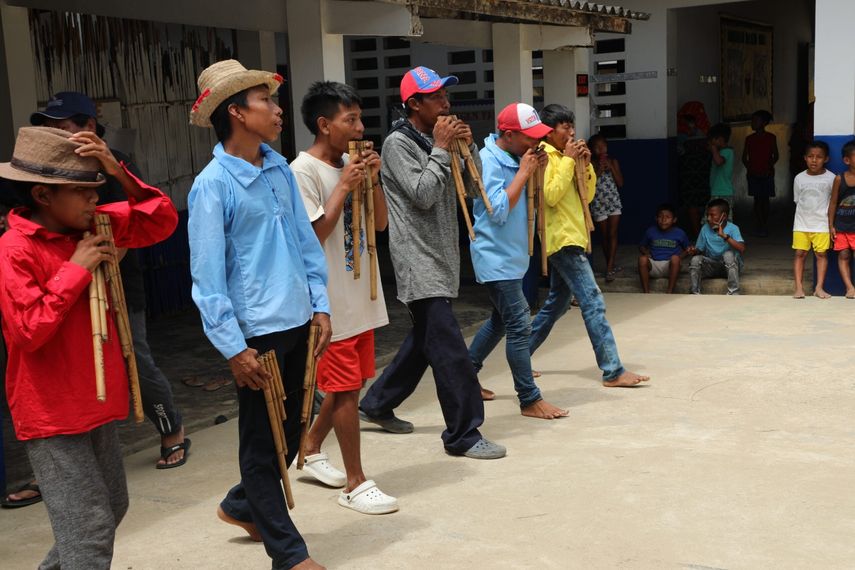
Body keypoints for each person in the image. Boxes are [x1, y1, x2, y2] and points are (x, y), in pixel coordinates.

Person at [0, 126, 177, 568]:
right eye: (83, 192)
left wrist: (117, 170)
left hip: (96, 402)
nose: (95, 201)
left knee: (109, 511)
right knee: (90, 532)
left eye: (98, 189)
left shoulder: (95, 225)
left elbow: (160, 218)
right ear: (42, 195)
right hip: (51, 412)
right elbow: (27, 331)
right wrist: (75, 271)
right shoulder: (14, 247)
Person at [187, 60, 330, 570]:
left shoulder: (277, 168)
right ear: (236, 113)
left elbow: (304, 242)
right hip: (257, 333)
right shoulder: (211, 186)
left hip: (298, 318)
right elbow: (207, 280)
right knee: (261, 441)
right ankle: (288, 554)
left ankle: (243, 504)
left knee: (293, 428)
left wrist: (321, 305)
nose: (275, 109)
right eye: (264, 101)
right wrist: (234, 347)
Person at [30, 91, 189, 468]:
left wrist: (93, 274)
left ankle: (172, 429)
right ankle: (62, 459)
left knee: (133, 356)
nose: (55, 133)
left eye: (62, 126)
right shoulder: (39, 170)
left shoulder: (111, 164)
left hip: (111, 283)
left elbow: (134, 223)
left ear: (88, 127)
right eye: (49, 127)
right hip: (62, 286)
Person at [357, 66, 505, 460]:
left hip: (442, 258)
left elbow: (473, 191)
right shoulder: (397, 144)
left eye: (445, 95)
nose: (446, 103)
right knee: (450, 351)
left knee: (424, 342)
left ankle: (376, 403)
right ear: (414, 104)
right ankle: (464, 434)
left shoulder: (439, 139)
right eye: (436, 97)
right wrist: (442, 149)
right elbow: (422, 194)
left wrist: (468, 149)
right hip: (416, 260)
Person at [291, 81, 397, 514]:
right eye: (349, 119)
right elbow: (313, 236)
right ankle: (356, 483)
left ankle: (311, 446)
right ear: (324, 124)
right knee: (346, 390)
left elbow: (382, 226)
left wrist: (370, 180)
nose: (359, 127)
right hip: (329, 301)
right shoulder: (302, 171)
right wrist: (343, 186)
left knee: (353, 383)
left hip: (361, 297)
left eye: (359, 118)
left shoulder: (352, 165)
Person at [529, 104, 649, 388]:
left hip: (576, 237)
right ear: (549, 131)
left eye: (572, 126)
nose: (571, 132)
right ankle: (613, 370)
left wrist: (586, 165)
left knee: (556, 305)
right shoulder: (543, 157)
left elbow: (589, 194)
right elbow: (551, 196)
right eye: (565, 127)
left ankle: (519, 356)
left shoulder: (567, 156)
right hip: (562, 240)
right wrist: (570, 161)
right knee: (593, 302)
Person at [467, 103, 568, 420]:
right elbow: (496, 211)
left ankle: (465, 377)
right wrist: (524, 172)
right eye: (529, 137)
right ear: (508, 135)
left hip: (512, 258)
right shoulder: (487, 161)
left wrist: (528, 170)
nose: (535, 144)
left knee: (501, 321)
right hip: (494, 257)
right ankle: (529, 398)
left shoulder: (515, 156)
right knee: (520, 325)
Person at [792, 141, 834, 299]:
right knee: (800, 254)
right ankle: (799, 288)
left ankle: (819, 288)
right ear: (805, 158)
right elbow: (797, 200)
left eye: (819, 157)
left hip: (821, 225)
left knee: (821, 255)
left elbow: (833, 203)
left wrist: (830, 225)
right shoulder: (799, 178)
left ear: (826, 159)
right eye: (810, 156)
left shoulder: (831, 178)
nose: (814, 160)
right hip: (801, 224)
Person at [687, 198, 746, 295]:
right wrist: (693, 251)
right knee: (695, 260)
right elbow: (699, 250)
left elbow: (742, 248)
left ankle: (733, 292)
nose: (709, 218)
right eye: (707, 215)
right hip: (712, 266)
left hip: (731, 268)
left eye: (712, 215)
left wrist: (725, 236)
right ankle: (694, 293)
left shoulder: (733, 228)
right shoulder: (705, 229)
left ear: (724, 216)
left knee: (728, 255)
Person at [588, 134, 624, 281]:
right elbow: (589, 184)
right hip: (598, 203)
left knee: (613, 234)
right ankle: (611, 263)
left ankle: (609, 267)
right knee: (604, 236)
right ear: (592, 149)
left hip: (613, 202)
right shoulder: (591, 164)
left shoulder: (613, 162)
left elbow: (620, 183)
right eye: (597, 147)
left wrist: (611, 168)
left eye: (603, 145)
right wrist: (600, 171)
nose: (601, 149)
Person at [676, 102, 712, 238]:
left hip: (698, 176)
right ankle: (699, 235)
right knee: (695, 205)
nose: (690, 124)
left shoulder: (707, 133)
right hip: (694, 176)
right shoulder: (683, 135)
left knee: (700, 205)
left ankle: (702, 234)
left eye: (692, 120)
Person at [638, 203, 690, 294]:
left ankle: (669, 292)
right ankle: (646, 293)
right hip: (654, 264)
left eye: (668, 217)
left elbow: (688, 249)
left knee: (675, 258)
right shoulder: (651, 231)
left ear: (674, 220)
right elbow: (642, 246)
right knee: (642, 259)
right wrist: (646, 252)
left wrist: (680, 257)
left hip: (670, 266)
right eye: (660, 217)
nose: (663, 220)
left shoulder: (679, 233)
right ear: (656, 218)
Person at [742, 110, 778, 237]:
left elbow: (776, 155)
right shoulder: (749, 139)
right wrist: (750, 169)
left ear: (764, 123)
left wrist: (768, 167)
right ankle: (760, 224)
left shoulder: (771, 138)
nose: (752, 123)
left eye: (755, 121)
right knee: (757, 200)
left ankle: (764, 224)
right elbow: (744, 158)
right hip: (753, 173)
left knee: (765, 199)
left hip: (767, 173)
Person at [828, 139, 855, 299]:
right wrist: (831, 225)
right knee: (844, 255)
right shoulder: (839, 179)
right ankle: (849, 287)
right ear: (846, 160)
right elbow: (833, 203)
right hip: (842, 225)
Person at [708, 123, 735, 219]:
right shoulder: (722, 152)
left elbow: (719, 161)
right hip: (717, 191)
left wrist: (714, 150)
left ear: (720, 139)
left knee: (722, 220)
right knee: (714, 220)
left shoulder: (727, 152)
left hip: (723, 192)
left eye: (712, 140)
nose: (710, 142)